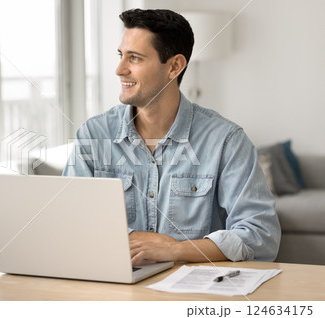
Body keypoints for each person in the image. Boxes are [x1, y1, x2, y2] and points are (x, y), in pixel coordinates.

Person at [63, 8, 281, 266]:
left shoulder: (226, 140)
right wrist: (143, 240)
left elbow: (261, 235)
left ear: (174, 66)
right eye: (121, 56)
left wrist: (175, 251)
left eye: (134, 58)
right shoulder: (93, 135)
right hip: (114, 285)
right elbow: (70, 223)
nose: (119, 69)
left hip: (194, 291)